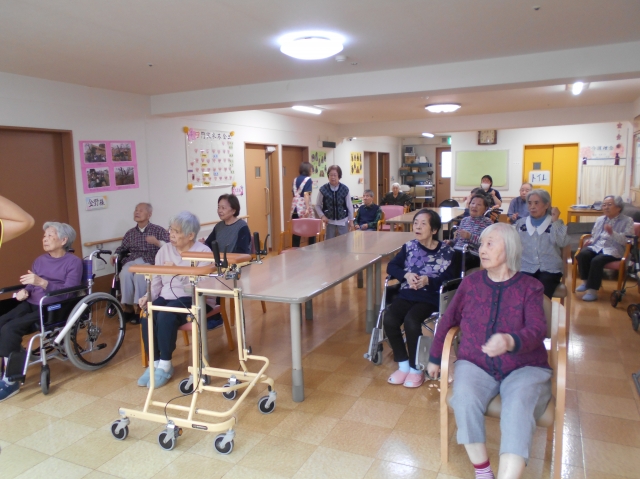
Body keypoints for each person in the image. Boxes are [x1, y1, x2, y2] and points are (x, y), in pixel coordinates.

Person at [427, 222, 551, 479]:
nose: (482, 249)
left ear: (510, 249)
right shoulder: (470, 283)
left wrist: (510, 341)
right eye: (482, 244)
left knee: (517, 408)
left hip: (524, 366)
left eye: (490, 244)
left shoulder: (530, 287)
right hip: (476, 363)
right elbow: (448, 320)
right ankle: (483, 471)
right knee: (463, 398)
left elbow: (538, 329)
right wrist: (435, 357)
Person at [0, 222, 82, 401]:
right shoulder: (40, 260)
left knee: (9, 329)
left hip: (52, 308)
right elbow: (31, 284)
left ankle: (12, 380)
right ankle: (13, 360)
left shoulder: (73, 262)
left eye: (50, 235)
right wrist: (25, 291)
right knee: (1, 322)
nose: (45, 239)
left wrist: (42, 283)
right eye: (44, 236)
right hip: (30, 303)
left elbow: (69, 292)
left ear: (64, 240)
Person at [138, 211, 211, 388]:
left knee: (165, 315)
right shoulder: (164, 250)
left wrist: (178, 270)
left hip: (193, 298)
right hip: (167, 295)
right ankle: (154, 363)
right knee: (147, 314)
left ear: (190, 235)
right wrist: (148, 296)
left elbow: (202, 286)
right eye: (170, 229)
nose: (171, 234)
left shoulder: (203, 252)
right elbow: (156, 280)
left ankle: (165, 365)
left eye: (176, 231)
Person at [385, 209, 454, 388]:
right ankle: (403, 366)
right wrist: (406, 275)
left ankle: (416, 370)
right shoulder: (409, 247)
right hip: (407, 293)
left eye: (423, 224)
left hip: (430, 297)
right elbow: (392, 266)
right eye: (416, 223)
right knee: (390, 318)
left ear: (434, 230)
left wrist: (428, 281)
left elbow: (450, 277)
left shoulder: (446, 252)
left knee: (411, 321)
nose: (417, 227)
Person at [111, 203, 170, 325]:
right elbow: (122, 248)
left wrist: (157, 242)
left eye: (141, 210)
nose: (137, 212)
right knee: (124, 274)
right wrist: (115, 255)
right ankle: (127, 308)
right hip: (132, 260)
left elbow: (170, 247)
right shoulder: (130, 233)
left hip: (150, 261)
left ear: (149, 214)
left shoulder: (158, 230)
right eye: (136, 210)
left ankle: (140, 308)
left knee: (139, 276)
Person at [575, 195, 634, 301]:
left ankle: (592, 291)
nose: (606, 207)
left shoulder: (627, 221)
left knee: (597, 260)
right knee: (583, 254)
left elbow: (628, 241)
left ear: (619, 207)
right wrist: (590, 241)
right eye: (604, 205)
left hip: (614, 250)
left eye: (609, 205)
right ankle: (586, 282)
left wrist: (612, 233)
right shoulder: (600, 219)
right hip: (597, 246)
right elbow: (594, 234)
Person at [515, 189, 569, 298]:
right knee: (519, 291)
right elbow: (512, 244)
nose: (532, 207)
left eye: (536, 203)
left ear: (546, 205)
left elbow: (562, 243)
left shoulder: (556, 223)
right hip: (526, 267)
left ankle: (540, 310)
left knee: (541, 291)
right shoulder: (521, 224)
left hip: (550, 269)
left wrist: (555, 220)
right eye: (529, 203)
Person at [449, 194, 492, 275]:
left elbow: (486, 244)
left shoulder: (487, 223)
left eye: (479, 204)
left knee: (455, 258)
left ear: (485, 209)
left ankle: (455, 281)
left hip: (472, 254)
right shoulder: (464, 220)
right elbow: (457, 240)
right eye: (472, 203)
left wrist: (470, 236)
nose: (474, 206)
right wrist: (450, 242)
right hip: (458, 251)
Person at [315, 165, 354, 239]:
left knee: (344, 241)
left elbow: (349, 206)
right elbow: (317, 205)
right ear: (328, 176)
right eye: (331, 175)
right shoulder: (323, 189)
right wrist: (322, 216)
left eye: (335, 175)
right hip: (329, 221)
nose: (332, 177)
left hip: (343, 220)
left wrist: (351, 220)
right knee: (329, 243)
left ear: (339, 176)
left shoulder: (345, 189)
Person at [290, 162, 314, 247]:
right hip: (303, 206)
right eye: (311, 169)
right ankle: (311, 248)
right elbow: (306, 194)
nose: (312, 171)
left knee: (296, 232)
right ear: (308, 170)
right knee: (312, 229)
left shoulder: (295, 179)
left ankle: (295, 250)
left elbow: (294, 193)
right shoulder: (308, 179)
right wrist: (307, 208)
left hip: (295, 207)